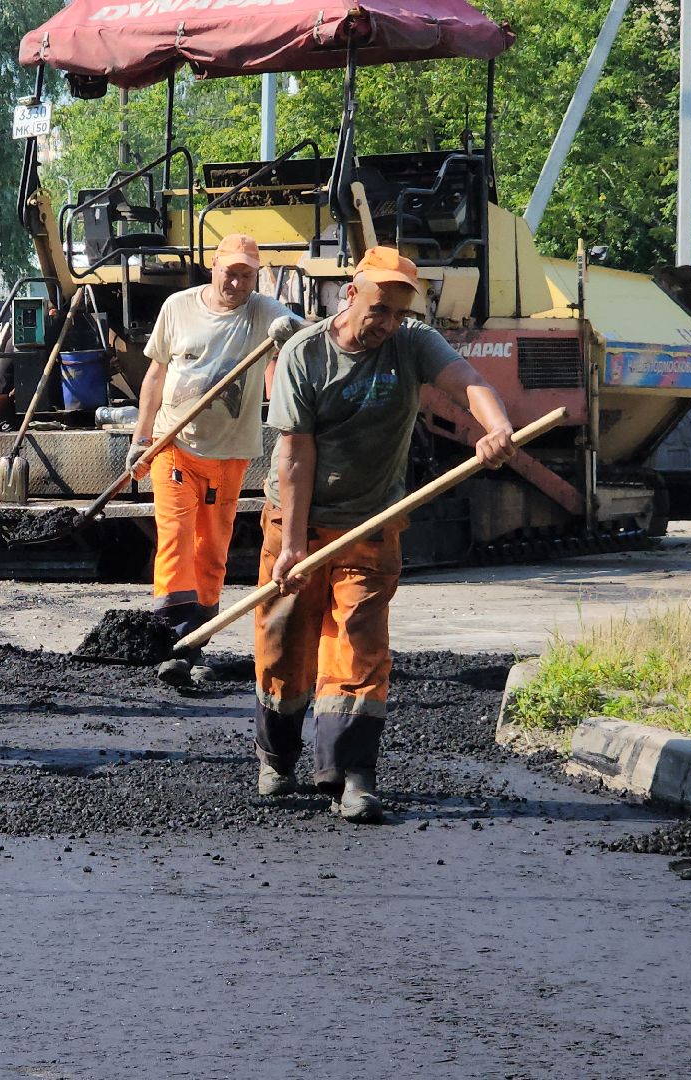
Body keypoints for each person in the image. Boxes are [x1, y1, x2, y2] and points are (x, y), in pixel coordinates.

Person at [255, 246, 517, 822]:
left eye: (398, 314)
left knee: (359, 639)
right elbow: (293, 459)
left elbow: (469, 382)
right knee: (286, 642)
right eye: (379, 310)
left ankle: (350, 771)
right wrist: (295, 545)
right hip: (297, 519)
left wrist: (495, 428)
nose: (387, 325)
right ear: (351, 294)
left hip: (371, 523)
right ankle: (277, 754)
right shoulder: (306, 354)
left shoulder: (412, 343)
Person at [130, 233, 302, 686]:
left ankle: (197, 638)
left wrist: (292, 333)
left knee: (212, 552)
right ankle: (174, 640)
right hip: (175, 443)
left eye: (248, 275)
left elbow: (305, 332)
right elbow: (155, 373)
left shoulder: (262, 311)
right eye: (232, 273)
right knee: (176, 538)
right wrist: (141, 437)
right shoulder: (179, 307)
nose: (238, 282)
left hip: (229, 454)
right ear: (214, 266)